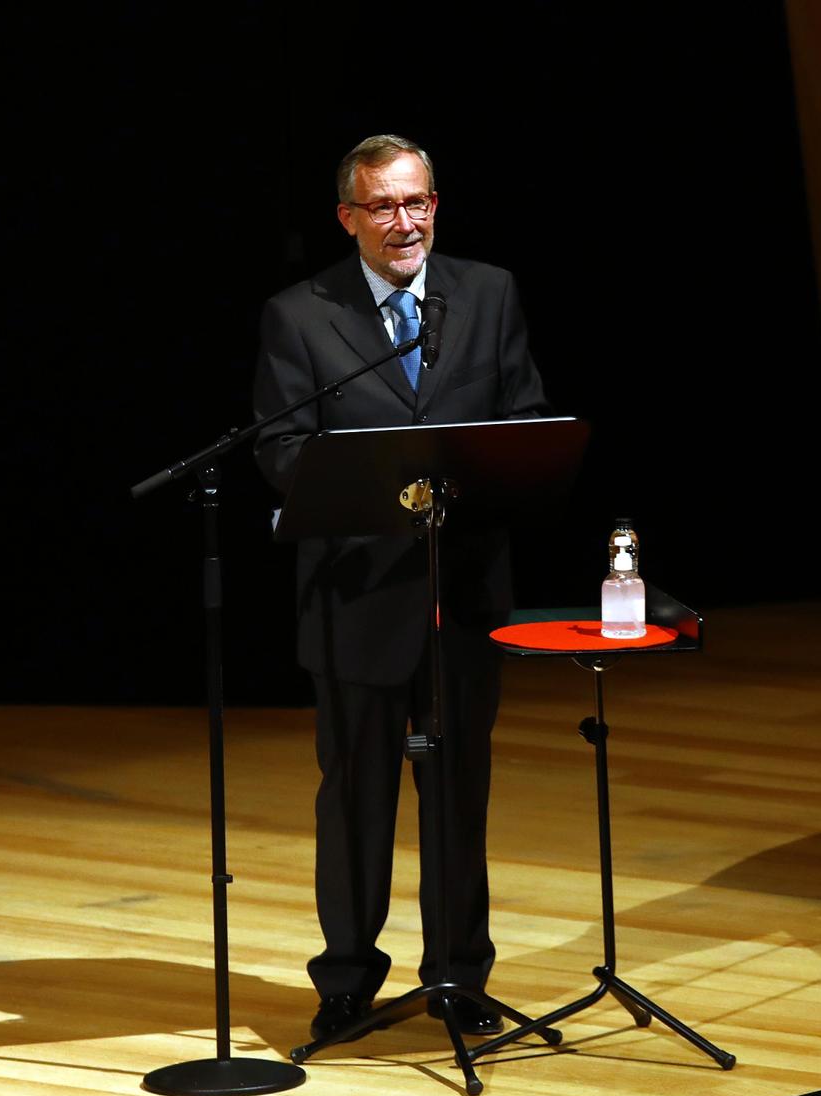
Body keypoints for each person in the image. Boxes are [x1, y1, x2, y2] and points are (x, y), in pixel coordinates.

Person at [252, 134, 549, 1043]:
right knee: (356, 797)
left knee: (459, 793)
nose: (405, 222)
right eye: (382, 207)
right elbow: (280, 447)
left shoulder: (487, 292)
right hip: (354, 599)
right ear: (348, 218)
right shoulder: (302, 316)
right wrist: (380, 489)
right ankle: (347, 981)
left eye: (417, 202)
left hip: (460, 592)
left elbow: (525, 417)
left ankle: (460, 977)